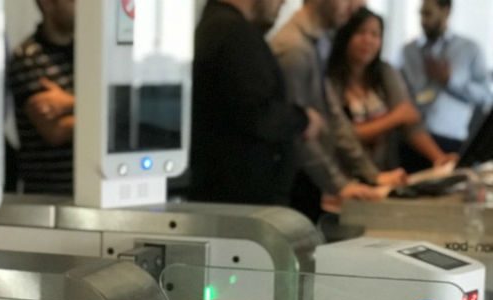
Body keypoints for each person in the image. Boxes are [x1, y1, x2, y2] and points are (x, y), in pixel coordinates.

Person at [272, 0, 406, 220]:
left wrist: (371, 175)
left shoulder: (319, 41)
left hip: (315, 181)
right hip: (295, 185)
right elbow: (297, 133)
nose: (355, 6)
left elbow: (334, 116)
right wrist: (340, 185)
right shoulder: (294, 48)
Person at [191, 0, 324, 206]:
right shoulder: (233, 32)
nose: (284, 2)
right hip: (239, 202)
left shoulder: (221, 26)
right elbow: (259, 113)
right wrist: (304, 120)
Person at [327, 8, 456, 171]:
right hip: (344, 175)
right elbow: (343, 135)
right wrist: (394, 118)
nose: (368, 40)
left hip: (386, 171)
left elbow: (410, 122)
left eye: (375, 34)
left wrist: (439, 157)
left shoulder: (385, 72)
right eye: (360, 32)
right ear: (345, 36)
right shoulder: (330, 80)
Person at [401, 0, 493, 155]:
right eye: (421, 14)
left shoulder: (469, 49)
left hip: (450, 140)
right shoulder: (409, 51)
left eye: (428, 14)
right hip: (412, 139)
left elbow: (486, 96)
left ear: (446, 11)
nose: (423, 20)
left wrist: (450, 80)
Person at [7, 0, 76, 196]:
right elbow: (56, 130)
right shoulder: (28, 57)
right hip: (49, 195)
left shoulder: (87, 54)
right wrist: (109, 117)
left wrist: (68, 103)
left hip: (89, 187)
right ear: (47, 3)